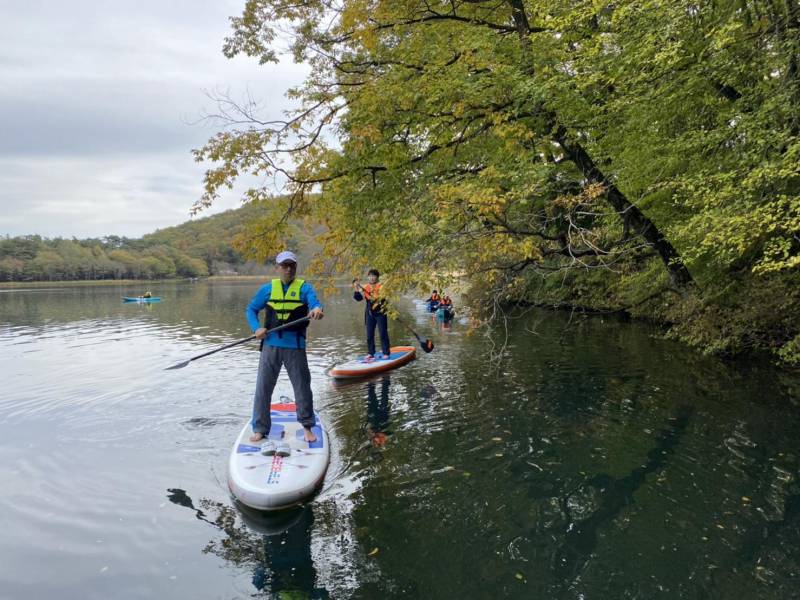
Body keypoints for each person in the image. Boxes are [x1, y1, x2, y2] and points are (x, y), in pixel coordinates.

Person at [246, 250, 324, 450]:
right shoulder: (268, 289)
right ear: (277, 267)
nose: (288, 269)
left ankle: (307, 426)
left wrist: (316, 310)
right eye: (284, 265)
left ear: (296, 267)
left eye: (291, 265)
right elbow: (251, 310)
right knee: (263, 388)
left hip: (295, 347)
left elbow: (315, 303)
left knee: (302, 387)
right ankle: (260, 429)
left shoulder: (304, 288)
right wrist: (256, 328)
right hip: (270, 346)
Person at [353, 269, 390, 361]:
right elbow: (358, 298)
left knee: (382, 333)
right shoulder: (366, 287)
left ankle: (386, 352)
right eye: (370, 276)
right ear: (368, 277)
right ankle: (371, 353)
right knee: (369, 334)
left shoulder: (381, 286)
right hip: (369, 313)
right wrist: (356, 288)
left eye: (374, 276)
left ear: (377, 277)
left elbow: (385, 299)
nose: (372, 278)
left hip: (381, 312)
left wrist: (376, 297)